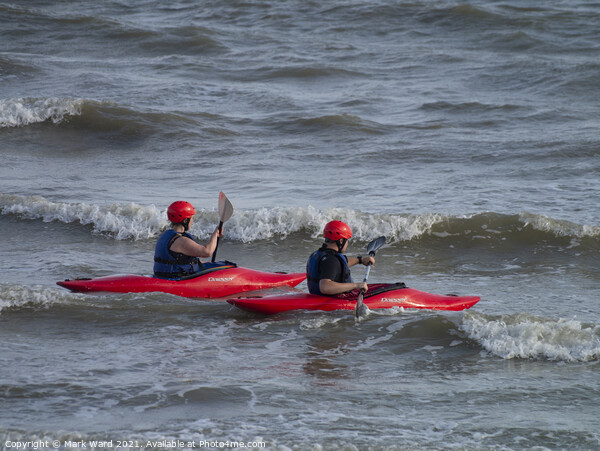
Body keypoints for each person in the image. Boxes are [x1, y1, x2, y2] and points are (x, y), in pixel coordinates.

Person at [153, 201, 223, 279]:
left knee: (220, 265)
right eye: (191, 218)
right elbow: (207, 252)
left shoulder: (166, 235)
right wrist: (215, 234)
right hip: (175, 279)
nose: (192, 221)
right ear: (185, 221)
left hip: (163, 275)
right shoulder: (181, 241)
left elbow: (183, 262)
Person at [306, 220, 375, 296]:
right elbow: (325, 287)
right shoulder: (331, 260)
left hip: (316, 297)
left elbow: (340, 264)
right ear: (341, 241)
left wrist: (360, 260)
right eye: (347, 240)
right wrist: (356, 285)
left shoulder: (318, 254)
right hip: (331, 301)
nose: (347, 243)